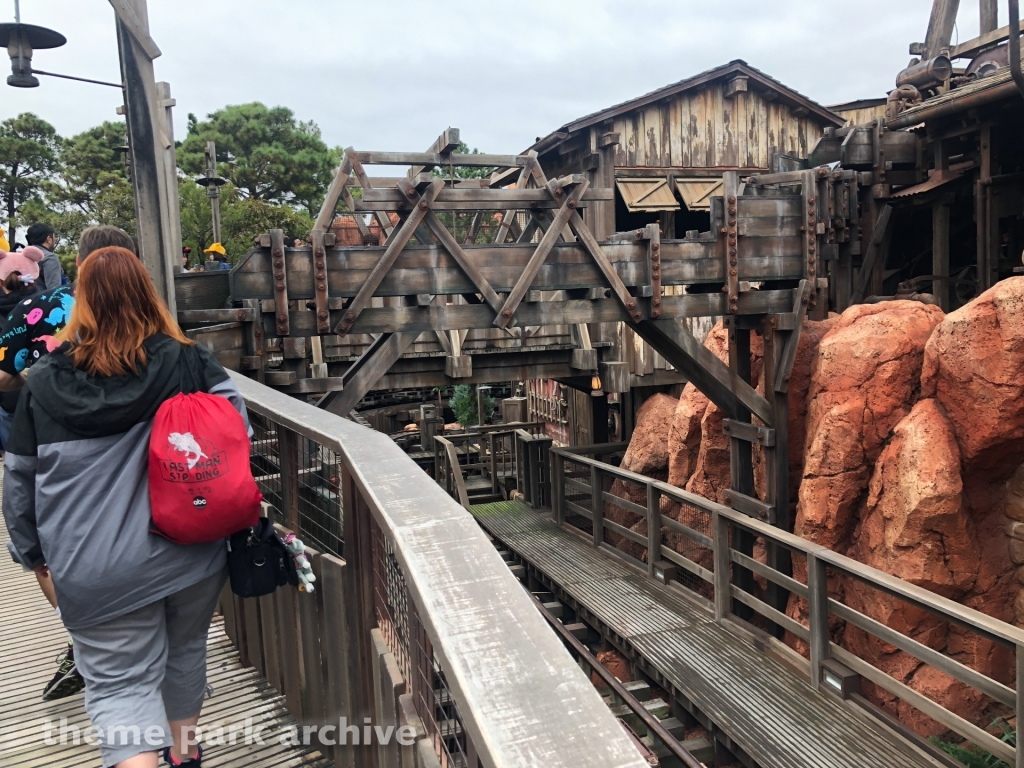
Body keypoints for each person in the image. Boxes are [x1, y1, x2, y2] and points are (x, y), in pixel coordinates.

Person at [4, 245, 248, 768]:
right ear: (148, 292)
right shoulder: (188, 360)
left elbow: (19, 482)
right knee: (184, 651)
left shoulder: (43, 384)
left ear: (82, 303)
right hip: (189, 548)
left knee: (119, 685)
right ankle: (183, 755)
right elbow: (237, 430)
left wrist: (32, 555)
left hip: (92, 563)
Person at [0, 226, 138, 704]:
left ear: (78, 260)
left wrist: (34, 378)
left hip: (55, 455)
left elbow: (1, 375)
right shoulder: (148, 314)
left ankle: (86, 640)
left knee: (47, 556)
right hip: (133, 457)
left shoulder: (39, 310)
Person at [25, 223, 66, 291]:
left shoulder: (22, 256)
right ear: (49, 239)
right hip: (41, 300)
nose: (55, 240)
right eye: (54, 237)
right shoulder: (49, 258)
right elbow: (54, 290)